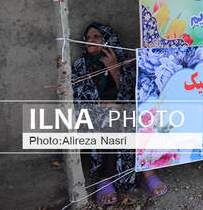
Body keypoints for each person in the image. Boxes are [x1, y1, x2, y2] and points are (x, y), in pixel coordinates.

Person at [71, 23, 168, 205]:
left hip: (123, 107)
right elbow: (77, 98)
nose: (91, 41)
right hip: (95, 113)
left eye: (96, 36)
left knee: (143, 117)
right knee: (111, 118)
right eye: (88, 38)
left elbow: (136, 93)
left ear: (108, 40)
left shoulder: (125, 62)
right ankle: (105, 178)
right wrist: (100, 105)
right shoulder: (81, 66)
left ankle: (146, 173)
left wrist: (115, 70)